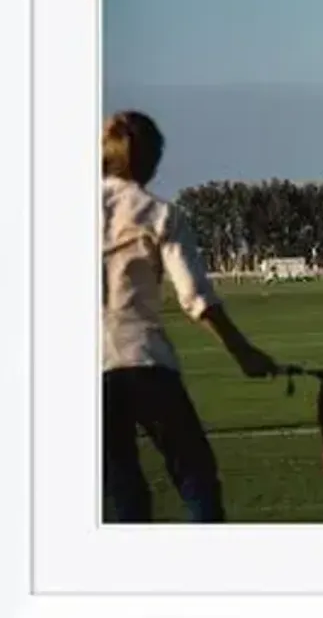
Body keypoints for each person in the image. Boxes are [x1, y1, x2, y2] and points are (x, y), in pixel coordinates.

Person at [102, 111, 278, 523]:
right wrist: (244, 352)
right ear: (151, 160)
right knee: (195, 478)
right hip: (145, 361)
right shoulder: (159, 214)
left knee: (123, 492)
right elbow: (195, 297)